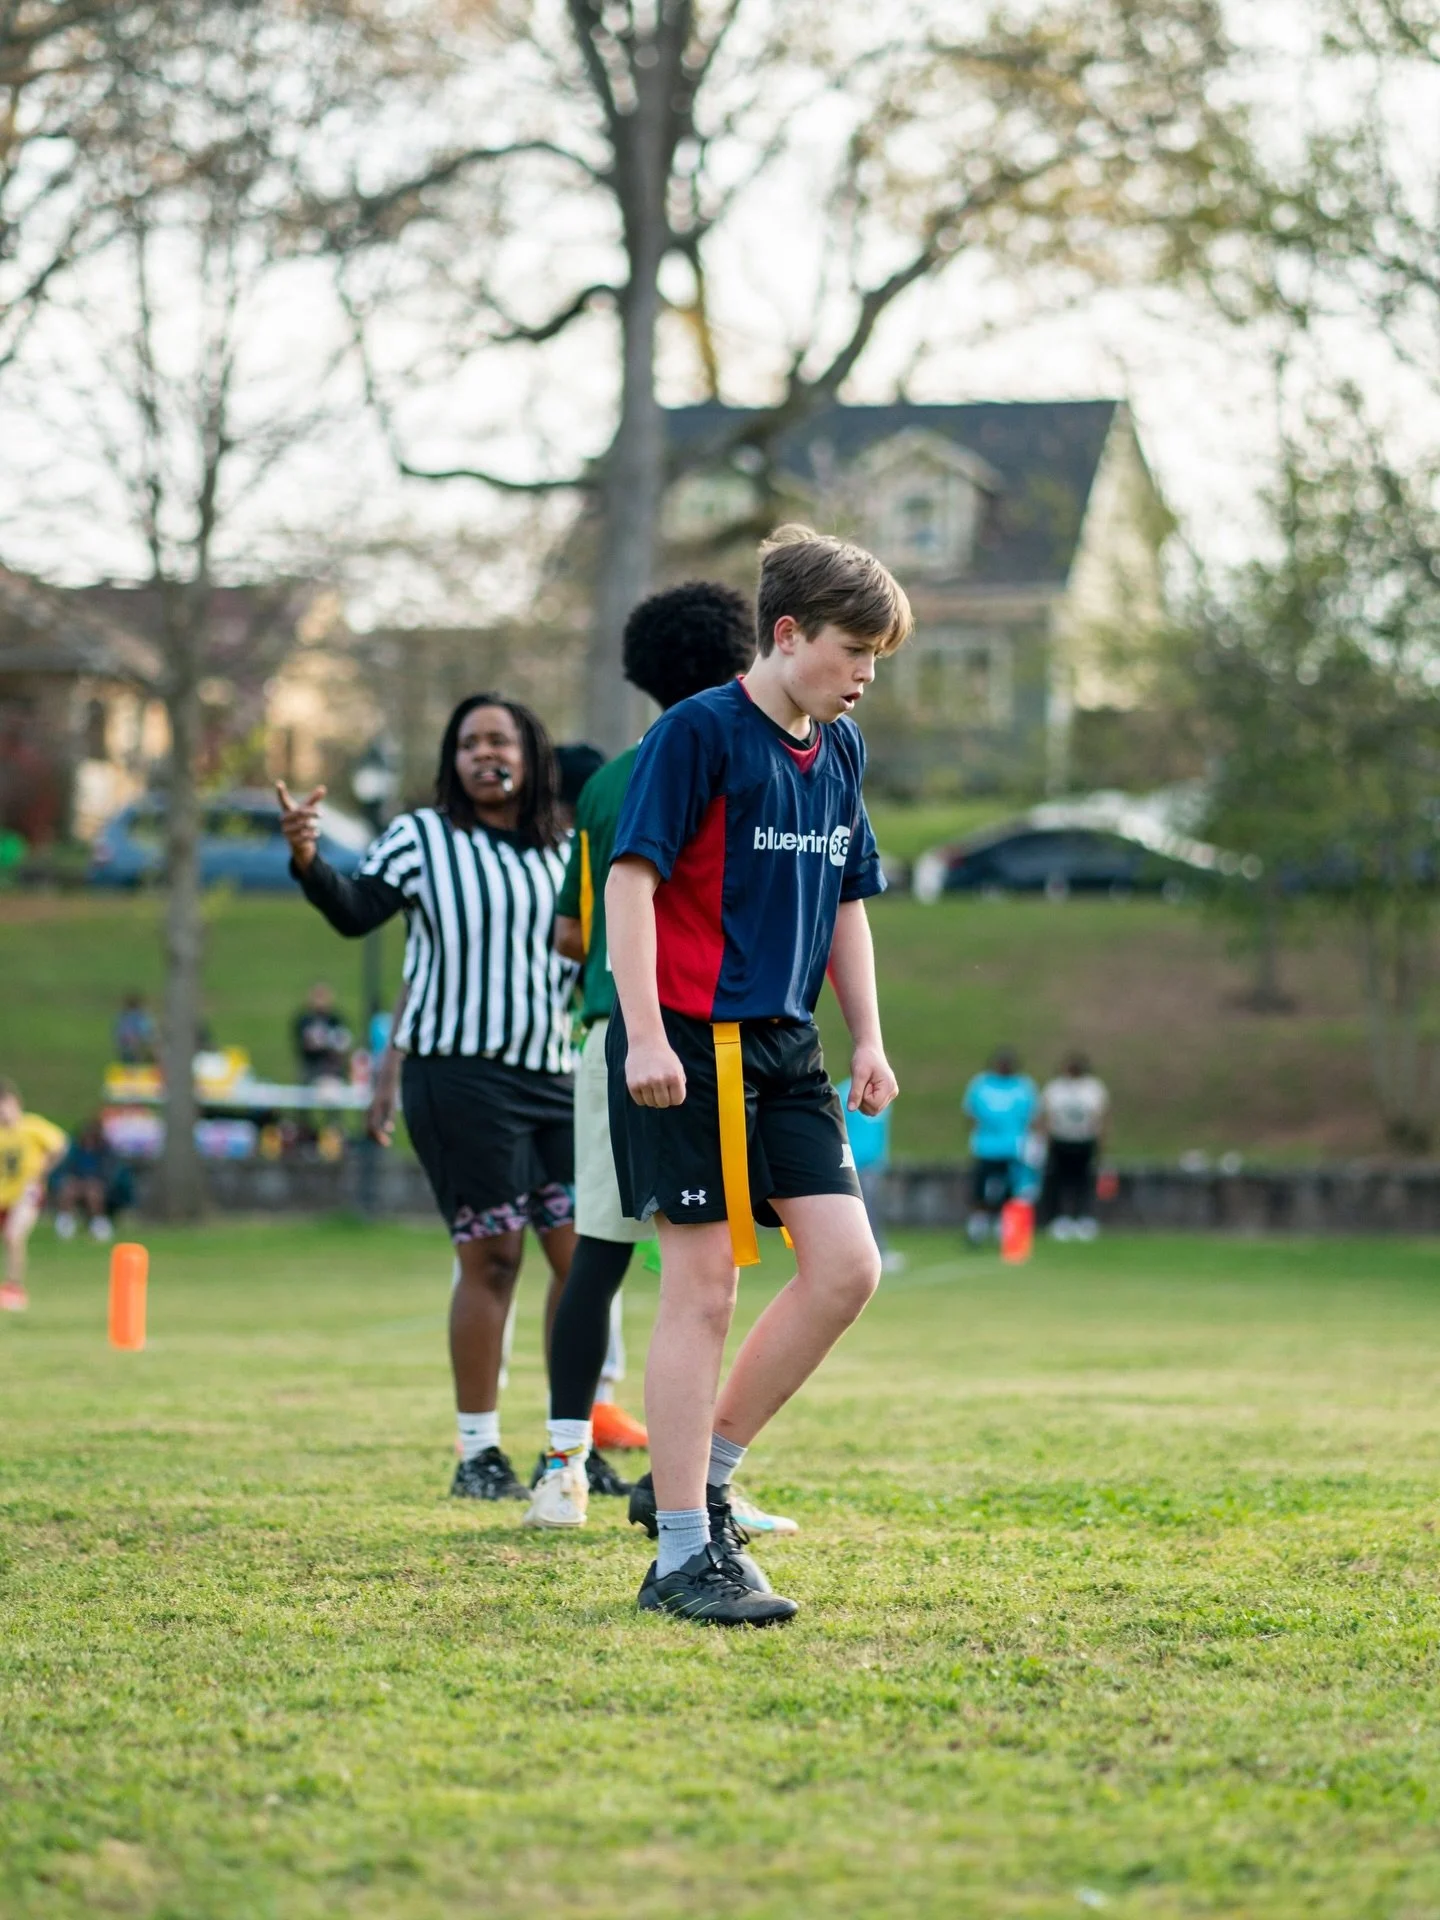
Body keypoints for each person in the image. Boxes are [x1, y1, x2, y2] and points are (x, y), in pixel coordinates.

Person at [605, 523, 912, 1626]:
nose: (866, 673)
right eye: (854, 649)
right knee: (704, 1289)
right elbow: (630, 885)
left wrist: (867, 1036)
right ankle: (682, 1557)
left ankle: (699, 1481)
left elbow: (847, 898)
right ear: (787, 635)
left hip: (786, 1048)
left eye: (877, 654)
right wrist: (644, 1034)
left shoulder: (840, 749)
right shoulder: (697, 734)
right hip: (689, 1047)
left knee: (847, 1269)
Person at [277, 694, 580, 1503]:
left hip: (555, 1076)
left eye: (500, 740)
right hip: (461, 1076)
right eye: (469, 743)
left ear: (530, 754)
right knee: (495, 1258)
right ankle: (478, 1453)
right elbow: (356, 913)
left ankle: (569, 1448)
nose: (485, 754)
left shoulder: (567, 851)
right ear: (452, 761)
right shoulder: (421, 838)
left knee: (582, 1261)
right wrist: (308, 859)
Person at [525, 582, 760, 1530]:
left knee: (600, 1257)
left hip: (606, 1032)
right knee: (706, 1272)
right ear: (743, 655)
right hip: (699, 1034)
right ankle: (695, 1484)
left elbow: (571, 931)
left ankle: (563, 1470)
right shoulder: (738, 758)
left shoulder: (606, 782)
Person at [0, 1081, 68, 1311]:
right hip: (3, 1194)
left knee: (13, 1235)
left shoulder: (31, 1126)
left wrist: (44, 1167)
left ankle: (14, 1288)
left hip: (26, 1192)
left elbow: (60, 1144)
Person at [961, 1047, 1038, 1245]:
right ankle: (978, 1225)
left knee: (1010, 1188)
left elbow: (1032, 1116)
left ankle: (1003, 1225)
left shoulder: (1023, 1086)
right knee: (980, 1187)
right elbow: (971, 1112)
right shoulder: (981, 1084)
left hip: (1013, 1147)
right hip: (986, 1147)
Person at [1038, 1052, 1109, 1240]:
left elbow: (1099, 1117)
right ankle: (1060, 1217)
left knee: (1083, 1182)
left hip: (1084, 1140)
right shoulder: (1055, 1088)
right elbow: (1047, 1117)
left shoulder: (1093, 1088)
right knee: (1059, 1181)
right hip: (1061, 1140)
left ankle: (1083, 1217)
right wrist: (1043, 1141)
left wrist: (1101, 1144)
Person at [837, 1077, 904, 1274]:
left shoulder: (883, 1092)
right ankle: (868, 1255)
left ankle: (871, 1253)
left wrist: (882, 1157)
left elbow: (881, 1131)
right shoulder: (844, 1093)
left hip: (872, 1163)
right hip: (851, 1162)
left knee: (872, 1209)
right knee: (860, 1213)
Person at [52, 1117, 133, 1242]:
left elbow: (109, 1172)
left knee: (93, 1192)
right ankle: (66, 1224)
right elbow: (66, 1168)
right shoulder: (75, 1151)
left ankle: (98, 1224)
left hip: (98, 1184)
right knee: (68, 1189)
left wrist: (95, 1181)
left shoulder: (106, 1152)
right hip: (78, 1182)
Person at [292, 982, 352, 1083]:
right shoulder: (304, 1021)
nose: (320, 1001)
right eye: (318, 996)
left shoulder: (335, 1020)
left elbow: (344, 1044)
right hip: (312, 1070)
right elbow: (307, 1044)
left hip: (333, 1071)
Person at [113, 992, 157, 1064]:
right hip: (141, 1050)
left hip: (125, 1050)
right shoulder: (141, 1016)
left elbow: (118, 1034)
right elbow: (147, 1032)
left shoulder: (122, 1017)